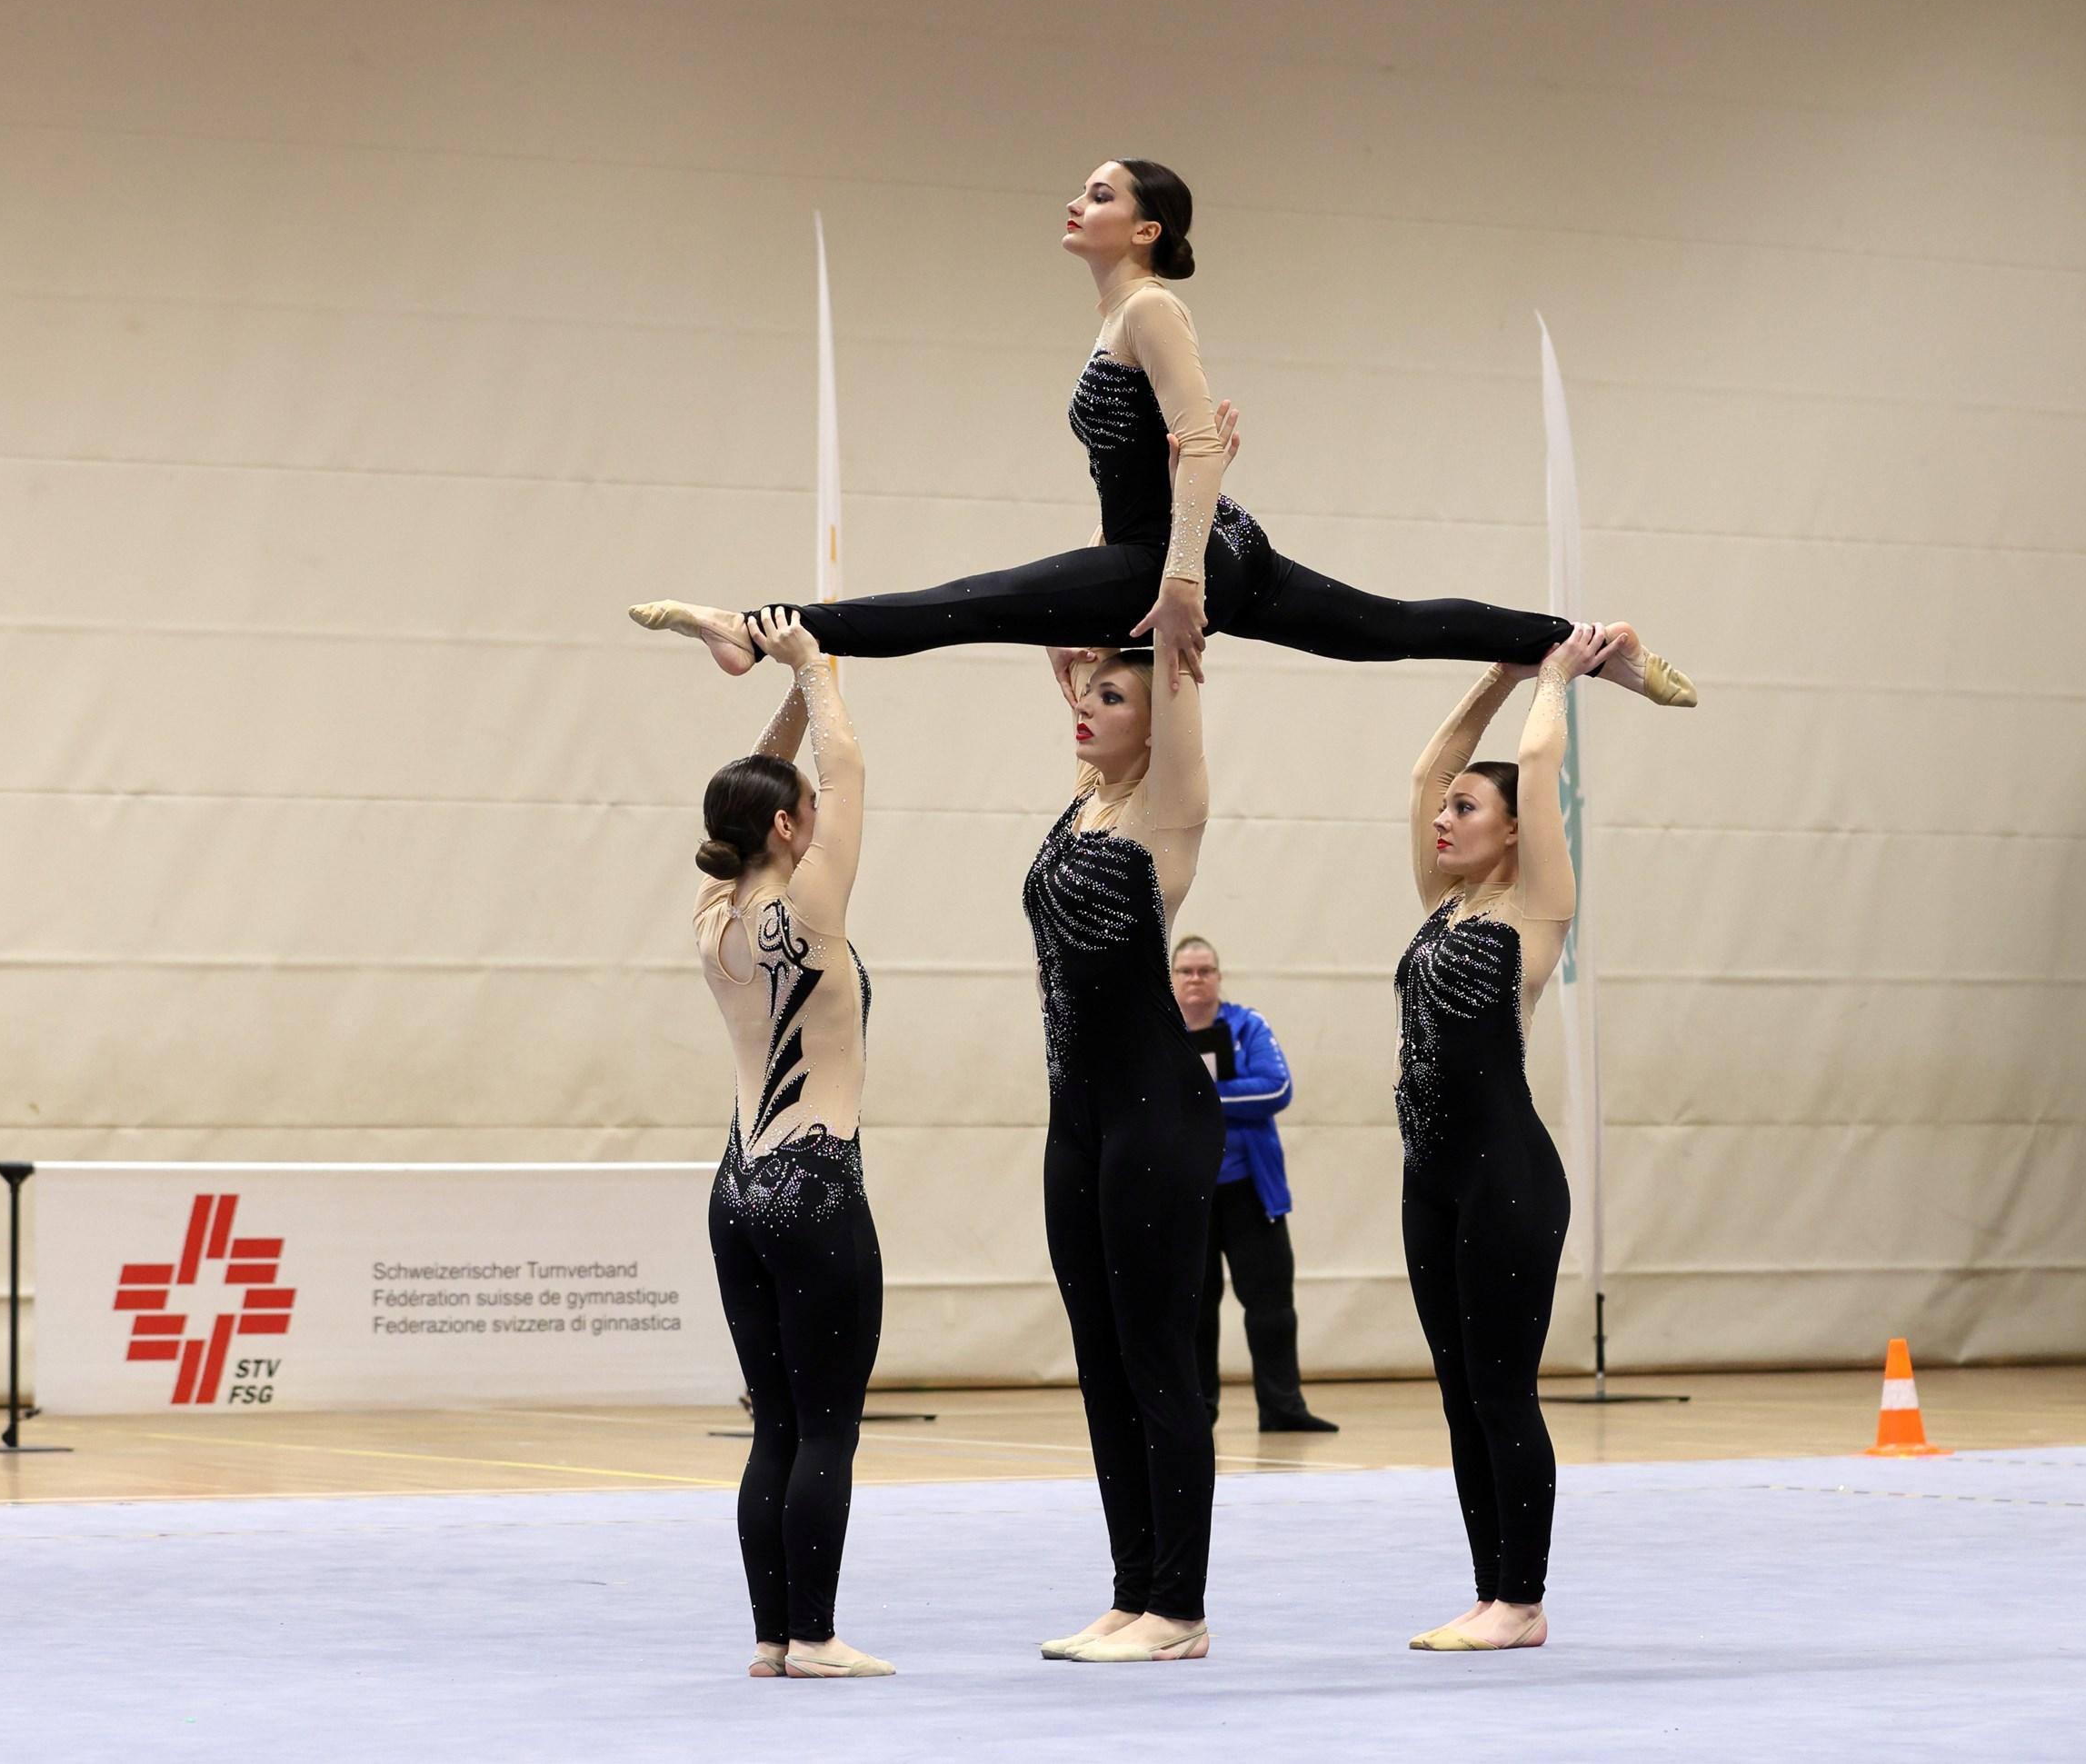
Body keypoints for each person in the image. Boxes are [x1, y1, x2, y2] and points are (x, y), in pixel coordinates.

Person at [630, 158, 1695, 707]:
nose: (1076, 201)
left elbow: (1199, 441)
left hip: (1184, 556)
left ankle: (751, 626)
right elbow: (1149, 467)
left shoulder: (1150, 309)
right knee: (1389, 627)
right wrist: (1112, 575)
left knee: (967, 606)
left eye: (1098, 194)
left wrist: (1175, 585)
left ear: (1143, 228)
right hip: (1191, 546)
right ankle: (1592, 646)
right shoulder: (1117, 319)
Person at [1393, 626, 1617, 1655]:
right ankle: (1491, 1593)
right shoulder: (1443, 907)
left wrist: (1554, 675)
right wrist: (1495, 673)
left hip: (1506, 1177)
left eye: (1467, 810)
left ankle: (1522, 1598)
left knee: (1500, 1391)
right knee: (1459, 1396)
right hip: (1430, 1180)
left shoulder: (1536, 910)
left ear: (1518, 831)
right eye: (1448, 811)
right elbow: (1426, 771)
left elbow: (1534, 760)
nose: (1444, 817)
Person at [691, 608, 892, 1679]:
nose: (820, 817)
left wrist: (780, 690)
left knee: (775, 1424)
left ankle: (772, 1637)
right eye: (803, 812)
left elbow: (753, 791)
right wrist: (814, 668)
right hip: (814, 1187)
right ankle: (814, 1633)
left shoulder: (714, 918)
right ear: (784, 827)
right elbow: (845, 768)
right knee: (826, 1429)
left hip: (737, 1192)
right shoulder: (811, 907)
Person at [1028, 635, 1223, 1665]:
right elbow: (1069, 664)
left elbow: (1173, 674)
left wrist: (1174, 589)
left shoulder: (1164, 809)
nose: (1086, 704)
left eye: (1113, 697)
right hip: (1079, 1115)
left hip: (1155, 1111)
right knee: (1101, 1365)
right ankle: (1133, 1589)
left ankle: (1179, 1608)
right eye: (1086, 691)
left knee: (1156, 1363)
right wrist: (1070, 649)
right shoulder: (1085, 805)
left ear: (1158, 725)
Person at [1170, 936, 1338, 1432]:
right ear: (1171, 979)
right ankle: (1196, 1412)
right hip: (1186, 1196)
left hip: (1251, 1190)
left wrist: (1198, 1098)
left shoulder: (1248, 1026)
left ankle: (1283, 1407)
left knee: (1272, 1308)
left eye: (1205, 970)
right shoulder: (1160, 1031)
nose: (1196, 979)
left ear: (1219, 977)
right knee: (1193, 1310)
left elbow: (1276, 1088)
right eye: (1186, 971)